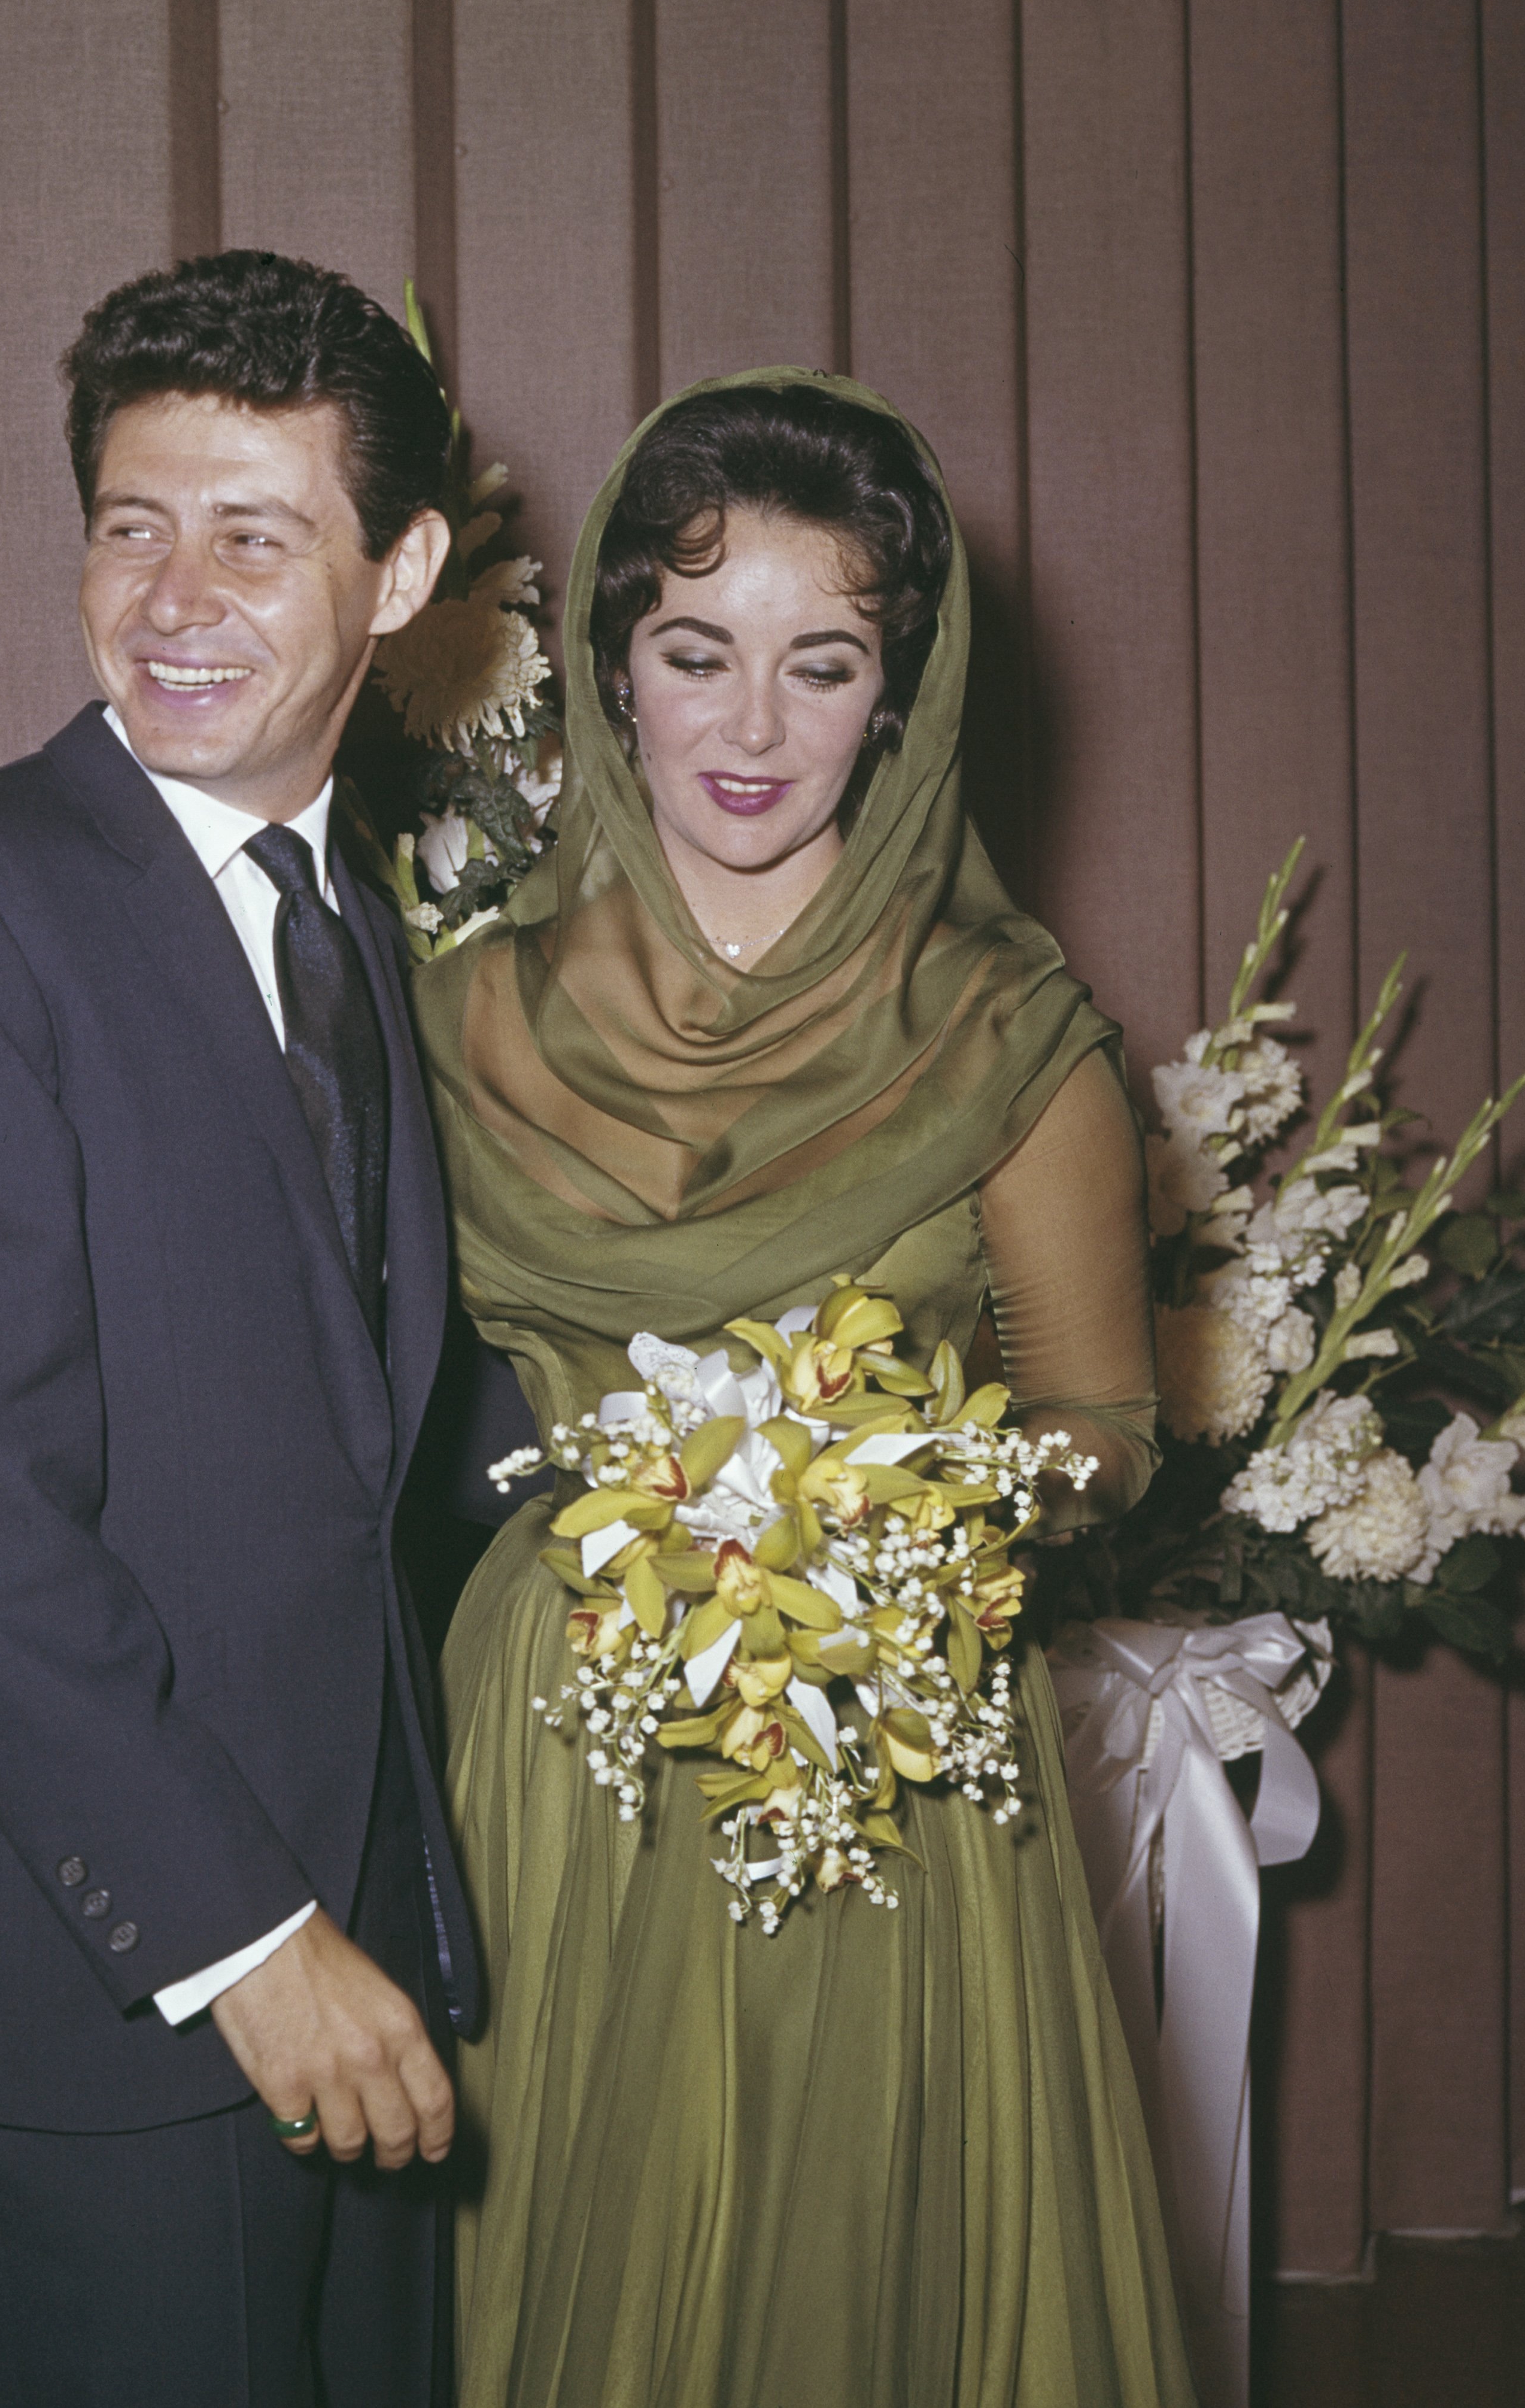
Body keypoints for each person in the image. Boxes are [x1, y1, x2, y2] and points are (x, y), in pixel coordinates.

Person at [414, 372, 1196, 2406]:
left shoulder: (1003, 1028)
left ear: (898, 694)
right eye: (697, 655)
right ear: (608, 671)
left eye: (819, 662)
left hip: (888, 1747)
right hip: (556, 1740)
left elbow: (1110, 1426)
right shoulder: (451, 1012)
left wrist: (892, 1502)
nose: (752, 730)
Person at [0, 249, 481, 2408]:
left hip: (372, 1978)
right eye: (128, 525)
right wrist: (241, 1947)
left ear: (402, 571)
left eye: (252, 535)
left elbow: (375, 1443)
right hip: (114, 2004)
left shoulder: (365, 925)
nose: (171, 596)